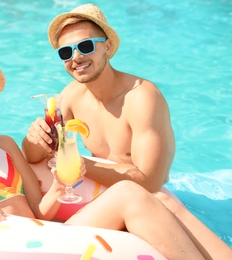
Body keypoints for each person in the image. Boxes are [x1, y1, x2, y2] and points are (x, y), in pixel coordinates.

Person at [0, 55, 206, 259]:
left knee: (154, 198)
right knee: (131, 193)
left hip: (48, 233)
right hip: (10, 247)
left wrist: (59, 188)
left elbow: (39, 211)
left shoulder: (4, 145)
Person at [22, 4, 232, 259]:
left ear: (107, 47)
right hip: (114, 198)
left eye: (86, 46)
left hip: (142, 197)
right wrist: (34, 137)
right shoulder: (71, 96)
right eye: (66, 52)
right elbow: (36, 156)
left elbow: (150, 182)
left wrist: (79, 163)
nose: (76, 57)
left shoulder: (141, 97)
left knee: (164, 202)